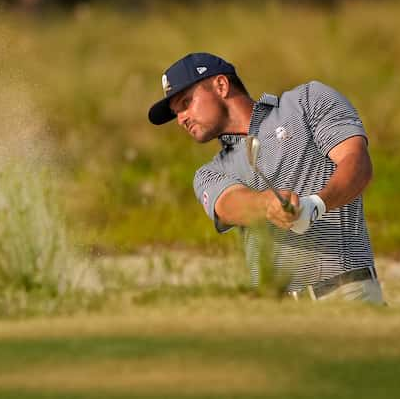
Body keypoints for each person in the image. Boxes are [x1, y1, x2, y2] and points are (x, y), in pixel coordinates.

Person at [148, 52, 384, 304]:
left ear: (220, 86)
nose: (181, 118)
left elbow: (357, 163)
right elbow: (228, 205)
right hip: (273, 314)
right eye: (176, 113)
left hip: (345, 293)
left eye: (186, 103)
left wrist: (317, 204)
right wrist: (267, 206)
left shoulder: (307, 102)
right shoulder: (209, 173)